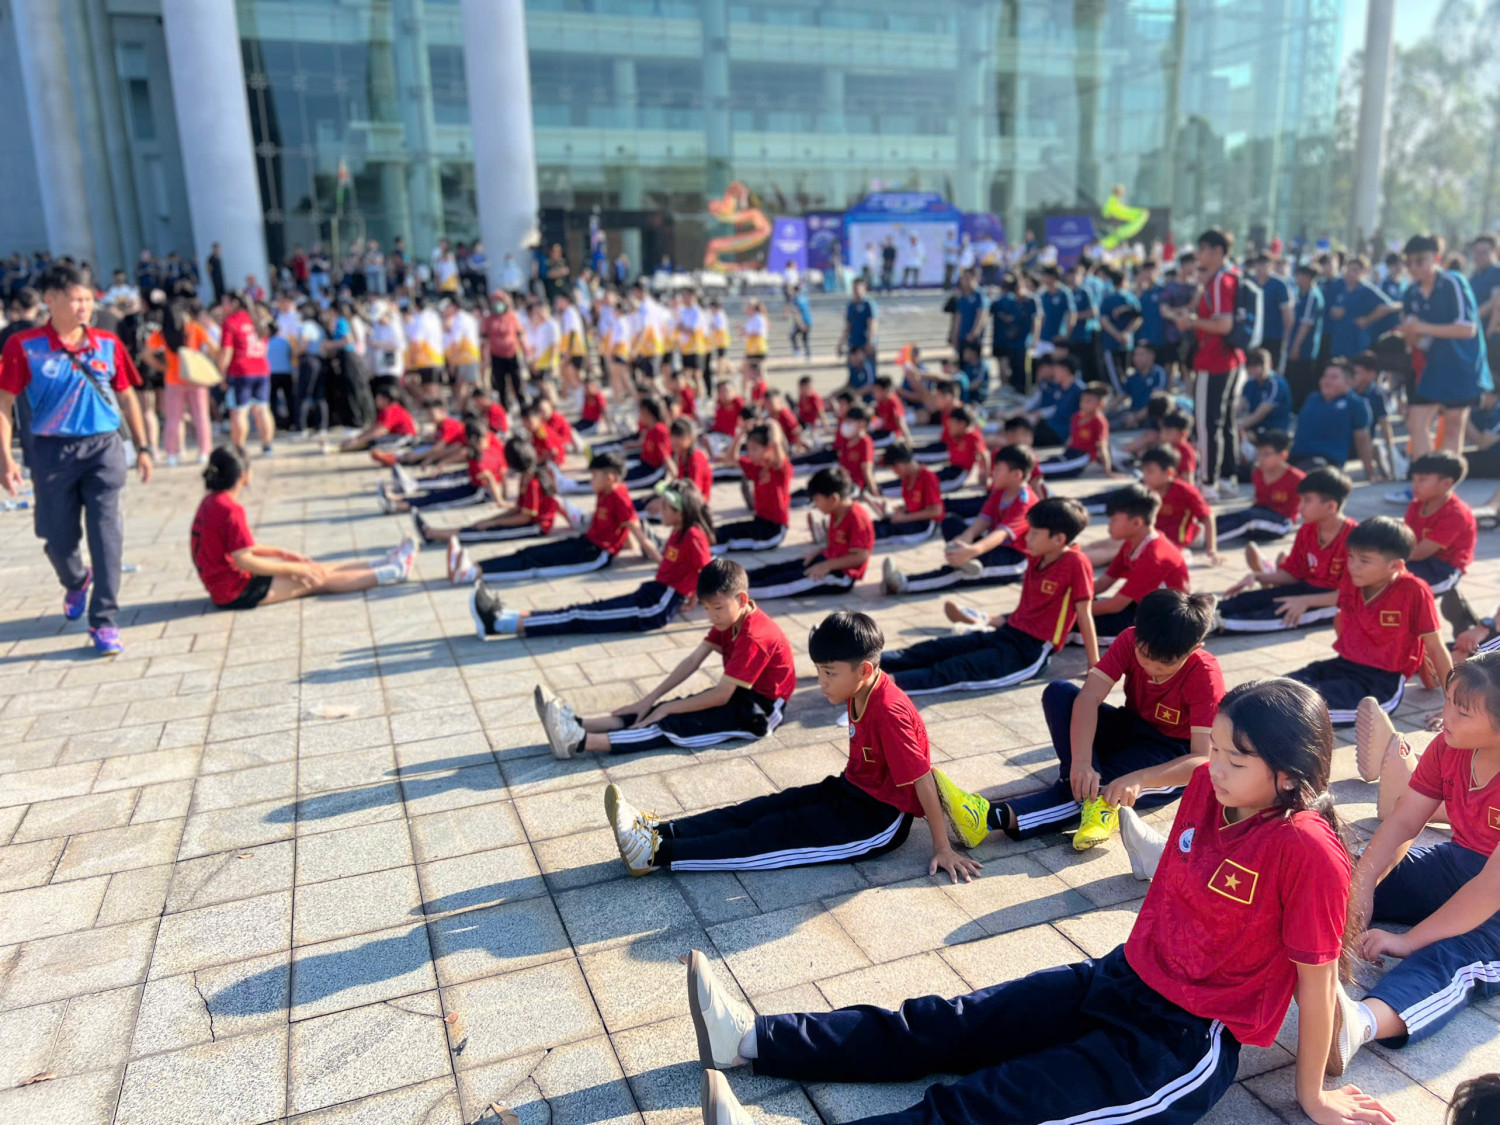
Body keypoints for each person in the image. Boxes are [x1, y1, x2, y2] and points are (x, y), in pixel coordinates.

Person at [688, 676, 1390, 1125]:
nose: (1216, 767)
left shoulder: (1306, 850)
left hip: (1178, 1042)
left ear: (1289, 776)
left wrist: (1313, 1092)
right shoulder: (1212, 786)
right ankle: (750, 1040)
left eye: (1236, 758)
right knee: (948, 1022)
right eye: (1218, 749)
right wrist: (1148, 777)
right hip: (1122, 975)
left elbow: (1315, 978)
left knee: (987, 1105)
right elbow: (1192, 781)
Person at [602, 608, 983, 882]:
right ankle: (658, 830)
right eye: (818, 671)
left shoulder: (889, 711)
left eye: (829, 673)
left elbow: (922, 780)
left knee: (772, 835)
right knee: (762, 809)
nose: (822, 682)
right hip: (852, 789)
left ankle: (654, 854)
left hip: (876, 822)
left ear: (864, 670)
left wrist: (942, 847)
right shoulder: (858, 688)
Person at [938, 589, 1221, 850]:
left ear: (1194, 648)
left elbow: (1202, 759)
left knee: (1106, 788)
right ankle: (1088, 794)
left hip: (1169, 754)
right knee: (1059, 693)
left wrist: (1140, 779)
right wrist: (1083, 763)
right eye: (1144, 655)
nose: (1151, 667)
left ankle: (987, 818)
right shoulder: (1129, 638)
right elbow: (1088, 698)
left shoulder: (1204, 674)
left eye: (1165, 664)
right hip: (1131, 727)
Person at [1336, 653, 1500, 1071]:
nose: (1446, 716)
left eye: (1462, 712)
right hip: (1459, 862)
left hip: (1495, 900)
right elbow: (1405, 819)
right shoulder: (1449, 746)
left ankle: (1359, 1023)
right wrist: (1362, 886)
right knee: (1344, 871)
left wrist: (1409, 941)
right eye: (1447, 701)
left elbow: (1489, 890)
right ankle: (1265, 910)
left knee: (1452, 957)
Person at [0, 262, 154, 655]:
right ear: (50, 300)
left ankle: (104, 620)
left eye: (88, 298)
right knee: (57, 538)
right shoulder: (24, 346)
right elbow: (4, 404)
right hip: (52, 452)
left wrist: (143, 448)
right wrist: (5, 459)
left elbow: (126, 395)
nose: (84, 306)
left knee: (107, 536)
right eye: (75, 299)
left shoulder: (107, 343)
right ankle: (76, 580)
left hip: (104, 449)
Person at [537, 557, 794, 758]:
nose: (711, 616)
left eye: (717, 608)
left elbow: (721, 696)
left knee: (672, 723)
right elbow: (692, 661)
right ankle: (578, 723)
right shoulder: (729, 618)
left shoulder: (755, 636)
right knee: (655, 709)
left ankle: (577, 741)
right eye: (706, 608)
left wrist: (665, 709)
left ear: (742, 599)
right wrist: (649, 700)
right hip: (738, 693)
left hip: (761, 711)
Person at [879, 497, 1096, 699]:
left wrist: (1094, 664)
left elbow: (1084, 614)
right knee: (935, 649)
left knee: (955, 668)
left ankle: (881, 685)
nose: (1027, 538)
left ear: (1059, 539)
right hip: (1008, 632)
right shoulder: (1038, 555)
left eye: (1034, 533)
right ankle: (867, 660)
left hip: (1029, 651)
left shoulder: (1075, 563)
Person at [471, 479, 713, 639]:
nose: (660, 510)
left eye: (666, 507)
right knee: (580, 610)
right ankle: (508, 616)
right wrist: (691, 597)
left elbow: (709, 572)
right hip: (652, 593)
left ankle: (499, 625)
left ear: (681, 512)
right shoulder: (680, 531)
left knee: (580, 617)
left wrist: (697, 601)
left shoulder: (693, 535)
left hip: (655, 607)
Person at [192, 445, 413, 609]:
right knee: (317, 579)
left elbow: (240, 548)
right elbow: (245, 560)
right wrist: (295, 569)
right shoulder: (230, 509)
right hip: (235, 590)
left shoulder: (211, 501)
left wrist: (282, 554)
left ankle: (384, 561)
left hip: (223, 584)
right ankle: (394, 570)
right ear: (243, 475)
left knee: (316, 567)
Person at [1287, 516, 1451, 724]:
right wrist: (1306, 601)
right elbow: (1340, 612)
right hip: (1343, 665)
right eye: (1351, 556)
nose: (1353, 566)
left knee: (1292, 711)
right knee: (1277, 688)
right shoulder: (1355, 579)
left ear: (1395, 566)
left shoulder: (1413, 590)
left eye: (1364, 560)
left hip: (1378, 684)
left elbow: (1435, 646)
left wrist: (1452, 705)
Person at [457, 451, 659, 584]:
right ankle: (476, 565)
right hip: (586, 542)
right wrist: (627, 546)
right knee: (529, 551)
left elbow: (636, 531)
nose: (590, 480)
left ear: (610, 478)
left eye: (594, 476)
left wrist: (660, 562)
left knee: (535, 564)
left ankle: (472, 574)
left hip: (595, 555)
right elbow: (622, 531)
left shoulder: (620, 497)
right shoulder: (605, 491)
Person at [882, 443, 1035, 595]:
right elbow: (983, 520)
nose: (993, 473)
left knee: (959, 574)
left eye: (998, 470)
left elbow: (1001, 534)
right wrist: (964, 539)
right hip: (993, 547)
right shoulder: (1000, 491)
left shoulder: (1024, 502)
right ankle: (965, 560)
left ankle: (902, 583)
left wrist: (974, 550)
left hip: (1013, 559)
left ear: (1016, 475)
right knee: (950, 522)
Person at [1217, 467, 1354, 634]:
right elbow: (1294, 574)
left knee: (1276, 614)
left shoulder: (1355, 539)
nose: (1300, 507)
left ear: (1331, 506)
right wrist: (1258, 576)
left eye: (1307, 501)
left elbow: (1352, 594)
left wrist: (1305, 601)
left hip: (1336, 603)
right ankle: (1201, 613)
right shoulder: (1307, 530)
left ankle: (1215, 625)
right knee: (1245, 600)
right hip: (1306, 589)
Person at [1167, 228, 1244, 499]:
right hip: (1229, 358)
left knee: (1206, 423)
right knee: (1224, 421)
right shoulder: (1228, 276)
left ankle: (1208, 481)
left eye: (1202, 249)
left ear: (1217, 251)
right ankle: (1226, 477)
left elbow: (1223, 325)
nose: (1198, 255)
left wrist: (1191, 322)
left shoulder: (1221, 280)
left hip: (1214, 359)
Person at [1400, 234, 1492, 459]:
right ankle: (1422, 476)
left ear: (1436, 258)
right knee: (1416, 423)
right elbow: (1414, 340)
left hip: (1460, 365)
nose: (1413, 268)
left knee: (1453, 427)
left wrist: (1421, 327)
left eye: (1420, 261)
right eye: (1408, 262)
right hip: (1429, 367)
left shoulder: (1453, 282)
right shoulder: (1410, 293)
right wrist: (1410, 333)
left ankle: (1445, 480)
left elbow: (1467, 328)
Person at [742, 467, 873, 601]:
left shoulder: (857, 517)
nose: (815, 505)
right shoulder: (836, 510)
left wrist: (826, 565)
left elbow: (861, 557)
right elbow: (839, 546)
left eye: (816, 500)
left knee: (783, 582)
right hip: (827, 560)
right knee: (778, 569)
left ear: (833, 499)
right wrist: (819, 552)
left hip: (840, 575)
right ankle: (736, 580)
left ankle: (736, 594)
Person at [1084, 483, 1191, 644]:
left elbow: (1115, 605)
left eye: (1113, 520)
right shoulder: (1132, 542)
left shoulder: (1154, 556)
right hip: (1139, 607)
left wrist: (1072, 609)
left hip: (1160, 623)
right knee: (1075, 610)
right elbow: (1104, 582)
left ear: (1136, 523)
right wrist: (1069, 598)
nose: (1109, 524)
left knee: (1071, 622)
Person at [414, 437, 562, 548]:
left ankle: (433, 534)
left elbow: (525, 517)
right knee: (481, 526)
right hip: (526, 520)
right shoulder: (526, 477)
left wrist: (494, 522)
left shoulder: (533, 483)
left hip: (535, 527)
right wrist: (489, 520)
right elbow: (518, 509)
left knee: (488, 533)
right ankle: (434, 533)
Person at [1403, 451, 1476, 600]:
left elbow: (1419, 553)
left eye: (1422, 480)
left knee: (1399, 586)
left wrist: (1385, 560)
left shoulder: (1455, 514)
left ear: (1446, 484)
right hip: (1418, 559)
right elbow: (1404, 537)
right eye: (1414, 479)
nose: (1415, 485)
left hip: (1443, 569)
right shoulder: (1416, 505)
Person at [1289, 360, 1379, 478]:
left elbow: (1362, 440)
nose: (1327, 381)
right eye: (1325, 376)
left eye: (1334, 377)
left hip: (1325, 462)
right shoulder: (1312, 398)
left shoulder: (1356, 404)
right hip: (1295, 458)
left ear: (1349, 382)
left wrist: (1370, 473)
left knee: (1299, 477)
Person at [1216, 429, 1303, 544]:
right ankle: (1199, 531)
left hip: (1282, 522)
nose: (1260, 459)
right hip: (1259, 513)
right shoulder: (1257, 473)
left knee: (1250, 519)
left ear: (1283, 455)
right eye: (1259, 454)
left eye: (1266, 454)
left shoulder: (1297, 478)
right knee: (1230, 517)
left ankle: (1207, 539)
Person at [218, 292, 274, 455]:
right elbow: (265, 346)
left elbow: (226, 351)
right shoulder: (257, 320)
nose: (222, 306)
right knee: (262, 409)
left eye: (225, 302)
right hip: (261, 368)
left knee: (239, 411)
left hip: (241, 371)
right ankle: (267, 446)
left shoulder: (231, 322)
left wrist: (221, 374)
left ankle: (239, 448)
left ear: (235, 303)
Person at [869, 442, 942, 544]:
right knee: (875, 524)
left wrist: (904, 518)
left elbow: (936, 511)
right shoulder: (907, 478)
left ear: (899, 465)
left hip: (924, 525)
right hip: (910, 517)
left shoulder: (927, 477)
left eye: (894, 469)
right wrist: (900, 510)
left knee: (883, 532)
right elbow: (914, 504)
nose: (895, 473)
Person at [1038, 380, 1113, 479]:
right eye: (1082, 400)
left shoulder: (1099, 422)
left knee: (1047, 469)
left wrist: (1108, 472)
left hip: (1083, 458)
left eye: (1088, 401)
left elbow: (1103, 447)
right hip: (1071, 453)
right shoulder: (1076, 417)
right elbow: (1071, 440)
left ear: (1100, 404)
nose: (1084, 404)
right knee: (1050, 461)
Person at [1286, 263, 1326, 409]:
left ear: (1309, 278)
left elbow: (1305, 324)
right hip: (1294, 343)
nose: (1298, 278)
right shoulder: (1298, 293)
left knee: (1301, 380)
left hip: (1305, 347)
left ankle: (1299, 409)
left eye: (1301, 275)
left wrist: (1296, 346)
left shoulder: (1312, 296)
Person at [1237, 347, 1294, 439]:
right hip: (1256, 426)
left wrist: (1236, 426)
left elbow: (1259, 414)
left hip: (1274, 429)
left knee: (1244, 436)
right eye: (1251, 366)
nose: (1255, 369)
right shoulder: (1250, 383)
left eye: (1258, 365)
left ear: (1269, 364)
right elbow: (1239, 406)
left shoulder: (1276, 384)